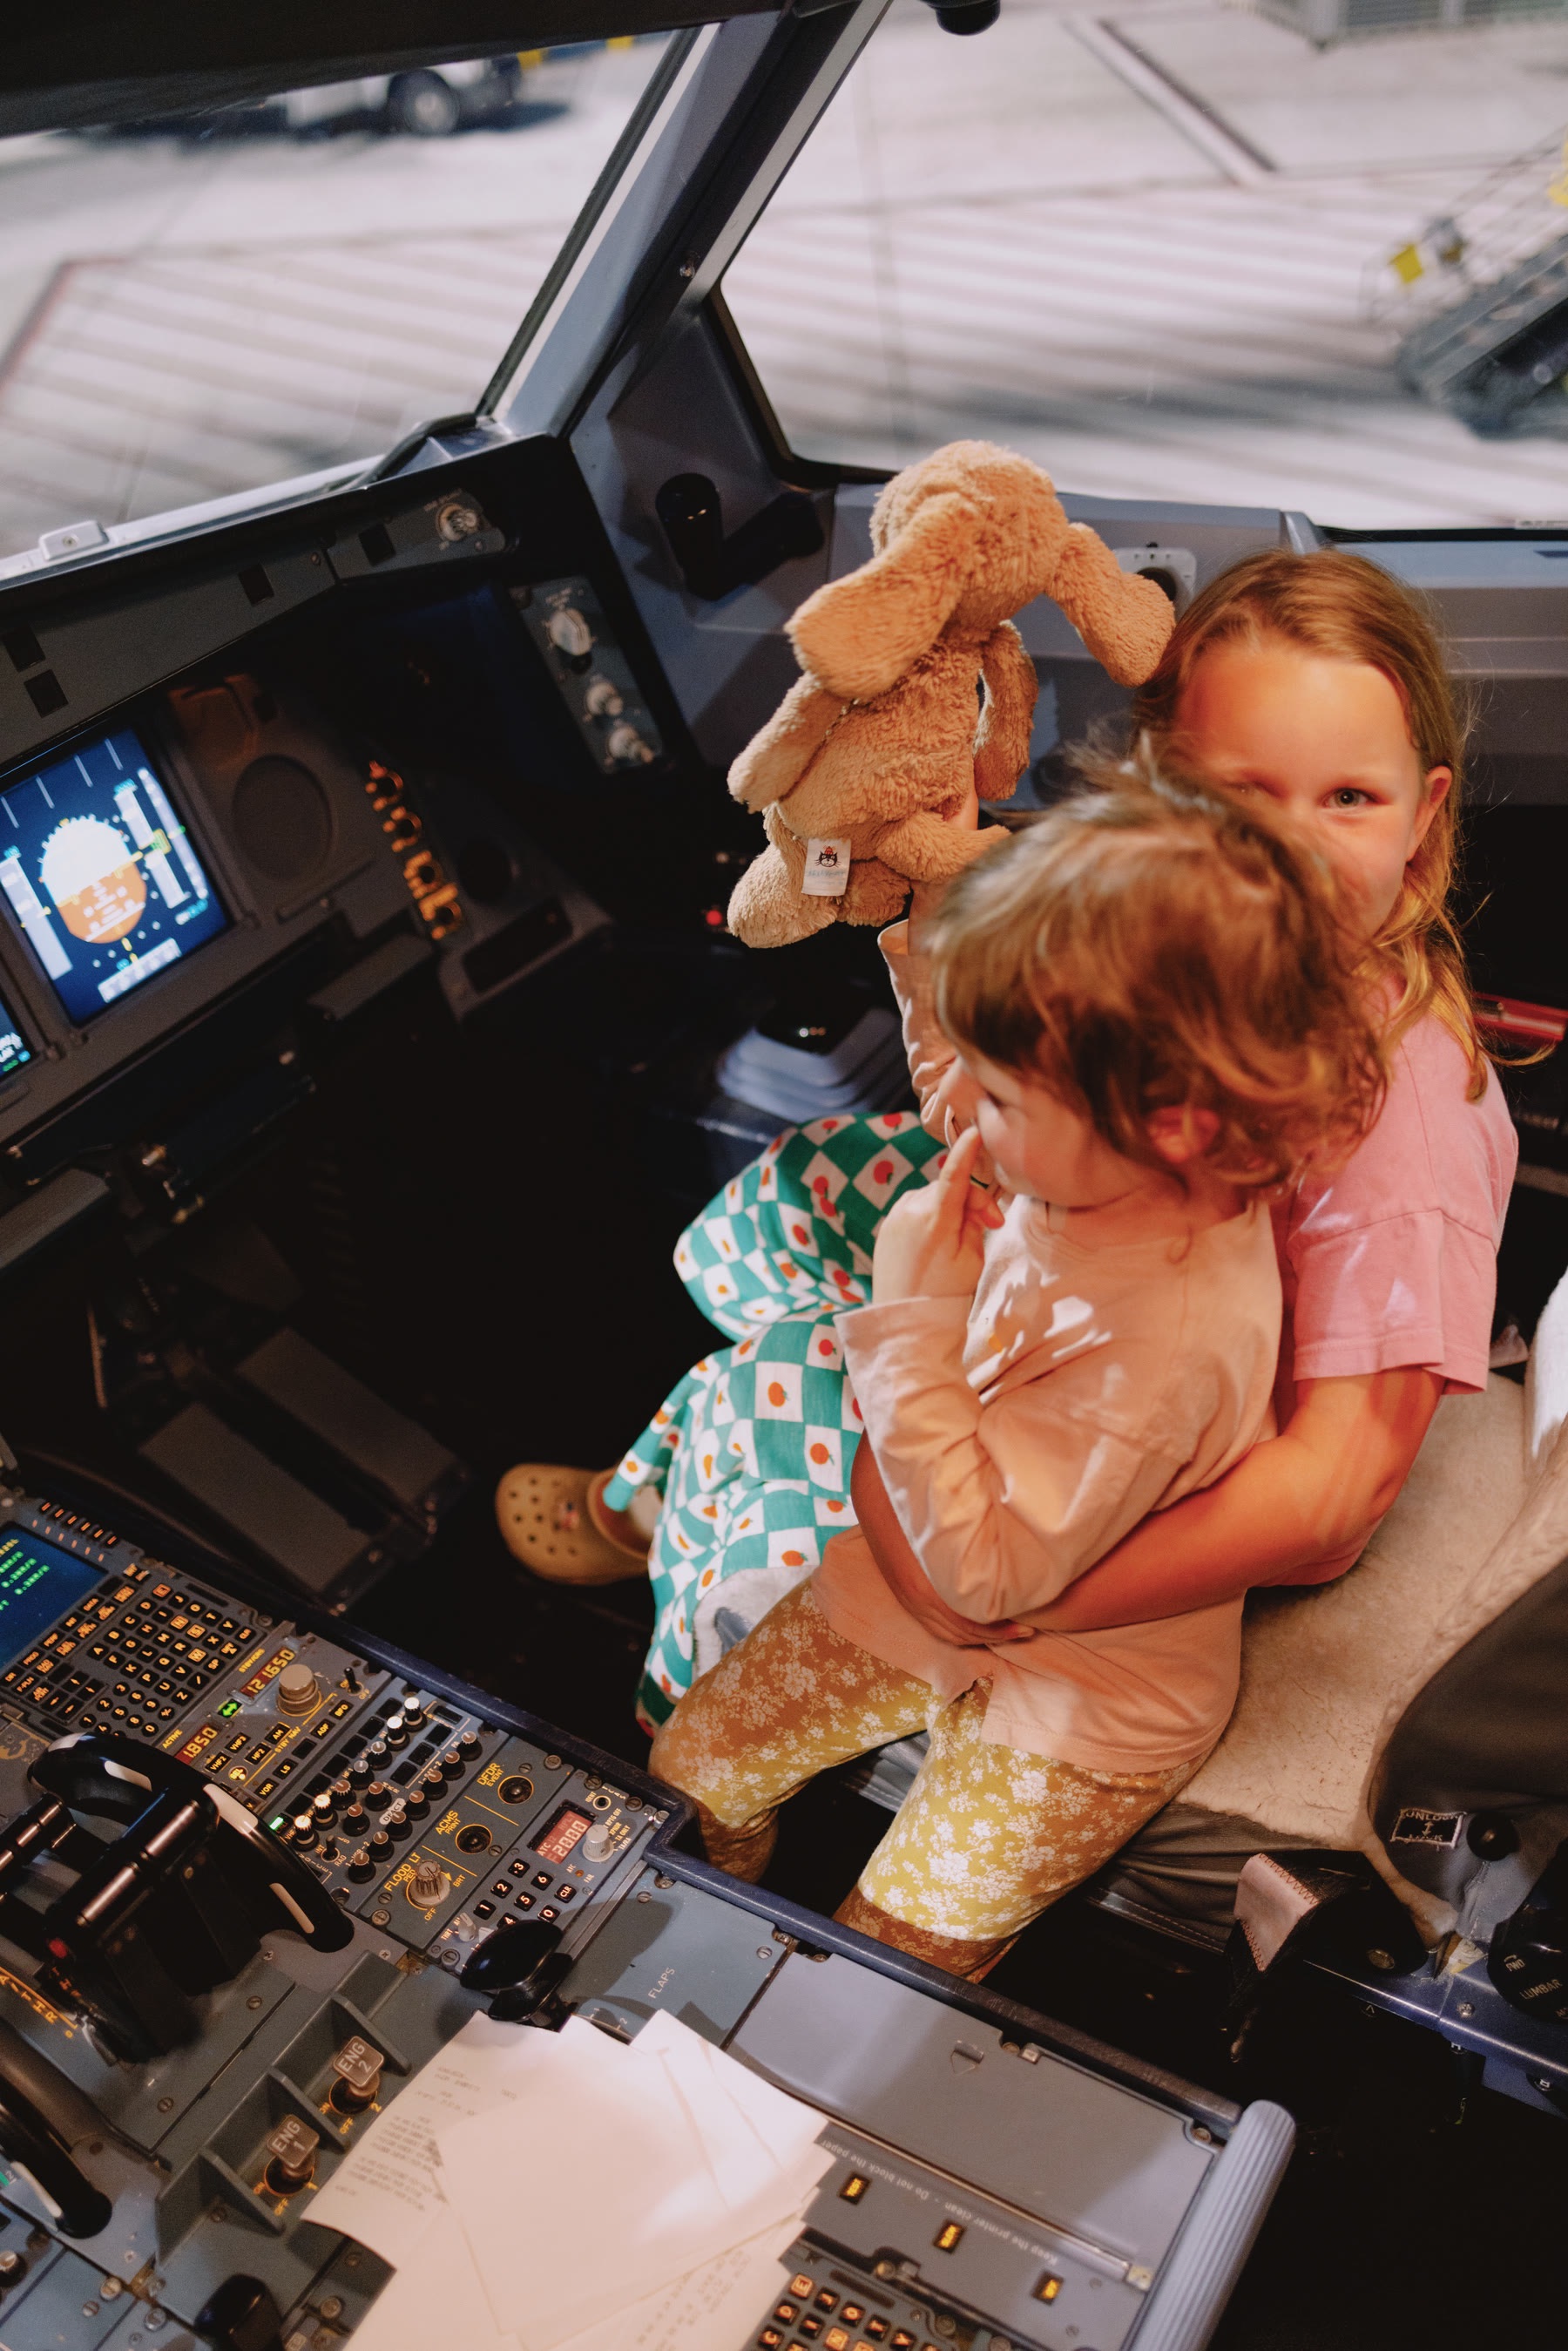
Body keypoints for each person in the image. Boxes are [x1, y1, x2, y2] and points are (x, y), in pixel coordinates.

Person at [497, 545, 1517, 1730]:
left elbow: (1331, 1494)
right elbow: (1010, 1087)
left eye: (1349, 798)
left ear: (1424, 820)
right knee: (802, 1191)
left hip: (1150, 1445)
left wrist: (1031, 1605)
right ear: (1159, 800)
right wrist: (941, 908)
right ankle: (652, 1499)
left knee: (777, 1381)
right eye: (1241, 796)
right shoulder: (1176, 939)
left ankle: (699, 1676)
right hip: (1103, 1259)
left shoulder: (1407, 1130)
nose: (1286, 846)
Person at [646, 769, 1383, 1978]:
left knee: (885, 1955)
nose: (971, 1125)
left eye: (1004, 1096)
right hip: (931, 1566)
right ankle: (704, 1935)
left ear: (1174, 1119)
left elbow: (980, 1576)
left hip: (1084, 1700)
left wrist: (903, 1331)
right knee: (695, 1768)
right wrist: (928, 934)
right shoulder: (1104, 1154)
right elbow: (976, 1081)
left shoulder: (1165, 1340)